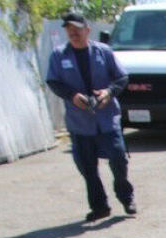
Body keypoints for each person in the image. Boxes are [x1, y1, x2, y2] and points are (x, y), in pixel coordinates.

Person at [46, 12, 135, 222]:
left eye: (77, 29)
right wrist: (72, 96)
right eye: (69, 29)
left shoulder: (103, 52)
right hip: (80, 123)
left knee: (118, 158)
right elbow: (53, 82)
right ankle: (100, 206)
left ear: (87, 30)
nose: (73, 33)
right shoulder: (59, 56)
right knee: (87, 167)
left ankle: (126, 197)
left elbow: (122, 78)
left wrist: (108, 92)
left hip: (107, 118)